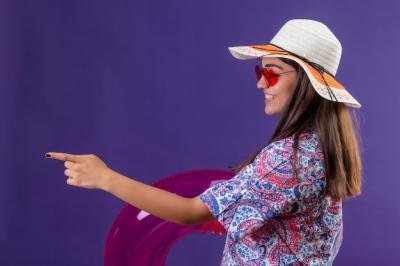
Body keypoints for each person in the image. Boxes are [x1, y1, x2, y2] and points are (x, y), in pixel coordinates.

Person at [45, 19, 363, 265]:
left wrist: (105, 177)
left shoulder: (289, 158)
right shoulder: (318, 147)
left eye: (273, 73)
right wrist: (234, 216)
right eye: (260, 71)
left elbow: (189, 211)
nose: (261, 83)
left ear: (306, 82)